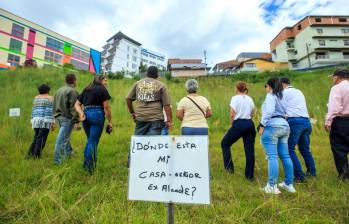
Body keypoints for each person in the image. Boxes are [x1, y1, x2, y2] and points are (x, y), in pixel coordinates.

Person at [259, 77, 295, 194]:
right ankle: (289, 184)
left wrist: (261, 124)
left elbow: (269, 111)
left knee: (272, 156)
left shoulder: (271, 95)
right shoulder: (282, 96)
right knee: (285, 156)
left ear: (269, 86)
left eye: (266, 86)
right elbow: (287, 112)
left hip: (273, 126)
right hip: (285, 126)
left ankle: (272, 186)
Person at [281, 77, 316, 182]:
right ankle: (312, 172)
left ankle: (299, 177)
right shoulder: (298, 91)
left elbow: (280, 108)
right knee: (305, 149)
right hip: (306, 122)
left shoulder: (284, 93)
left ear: (282, 84)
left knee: (289, 149)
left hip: (295, 122)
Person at [75, 75, 112, 174]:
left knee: (90, 141)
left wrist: (81, 113)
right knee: (93, 141)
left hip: (85, 115)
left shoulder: (87, 89)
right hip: (97, 114)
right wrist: (110, 122)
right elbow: (106, 107)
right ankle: (89, 169)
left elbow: (77, 104)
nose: (106, 82)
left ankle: (86, 165)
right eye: (105, 80)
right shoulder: (102, 90)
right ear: (100, 80)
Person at [221, 81, 256, 180]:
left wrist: (232, 125)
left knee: (225, 143)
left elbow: (232, 114)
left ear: (237, 88)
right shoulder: (249, 98)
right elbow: (253, 112)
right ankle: (249, 175)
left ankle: (229, 169)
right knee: (249, 150)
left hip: (239, 123)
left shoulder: (235, 98)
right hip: (249, 123)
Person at [126, 66, 172, 135]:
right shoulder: (161, 85)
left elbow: (128, 99)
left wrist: (132, 112)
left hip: (140, 117)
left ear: (147, 73)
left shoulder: (138, 83)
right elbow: (166, 105)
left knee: (140, 142)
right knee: (153, 143)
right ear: (157, 74)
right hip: (156, 118)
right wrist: (169, 120)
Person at [325, 69, 349, 180]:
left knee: (339, 149)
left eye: (333, 77)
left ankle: (344, 176)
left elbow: (334, 107)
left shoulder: (336, 88)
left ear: (337, 77)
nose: (332, 79)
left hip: (341, 121)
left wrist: (328, 122)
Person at [53, 74, 80, 165]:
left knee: (65, 137)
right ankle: (58, 161)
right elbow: (74, 107)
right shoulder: (72, 91)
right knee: (62, 140)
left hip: (58, 117)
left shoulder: (59, 90)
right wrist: (76, 121)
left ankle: (69, 153)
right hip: (67, 118)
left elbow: (54, 104)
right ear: (74, 81)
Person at [27, 84, 54, 158]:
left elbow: (33, 109)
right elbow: (49, 111)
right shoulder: (50, 98)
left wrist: (32, 119)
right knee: (41, 138)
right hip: (44, 121)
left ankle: (30, 154)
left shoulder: (36, 98)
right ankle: (36, 155)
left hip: (36, 120)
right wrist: (52, 123)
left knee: (36, 137)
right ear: (48, 90)